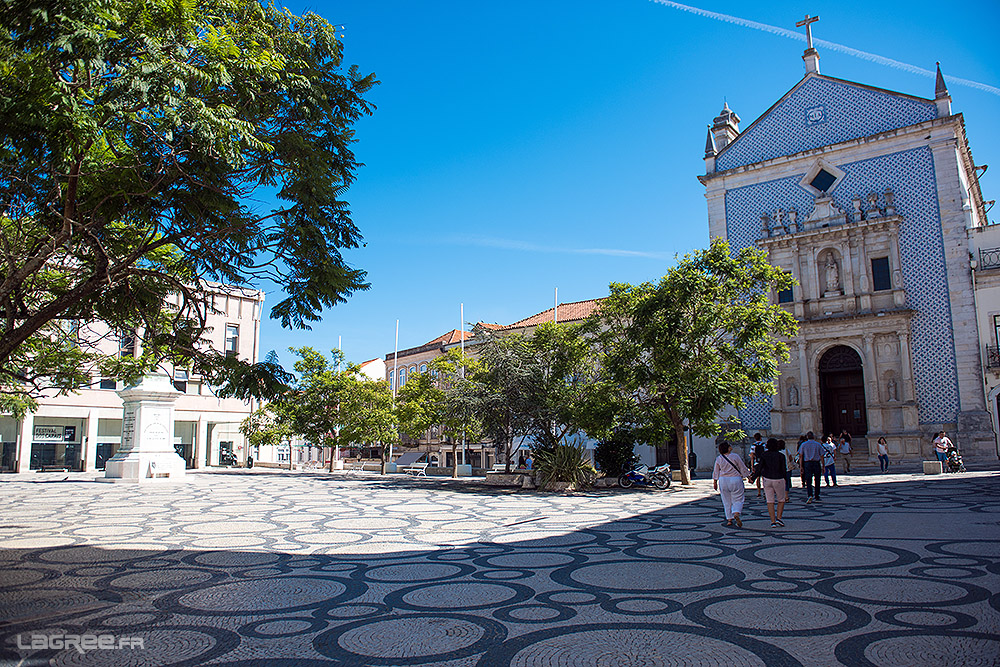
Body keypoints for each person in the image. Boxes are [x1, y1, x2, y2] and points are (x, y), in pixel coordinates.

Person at [713, 441, 750, 528]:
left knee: (726, 500)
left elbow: (716, 471)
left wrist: (715, 482)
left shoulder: (719, 458)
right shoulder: (735, 456)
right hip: (735, 479)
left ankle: (729, 519)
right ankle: (736, 512)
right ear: (728, 448)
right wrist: (748, 476)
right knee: (738, 498)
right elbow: (742, 467)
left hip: (723, 480)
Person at [760, 438, 788, 527]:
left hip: (767, 479)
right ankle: (779, 518)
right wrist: (786, 480)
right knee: (781, 500)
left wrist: (753, 478)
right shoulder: (781, 456)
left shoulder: (764, 455)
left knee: (770, 501)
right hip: (778, 479)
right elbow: (784, 469)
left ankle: (772, 521)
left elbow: (760, 468)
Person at [798, 431, 824, 503]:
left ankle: (810, 495)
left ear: (807, 437)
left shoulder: (803, 445)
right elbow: (822, 455)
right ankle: (817, 495)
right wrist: (823, 465)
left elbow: (801, 456)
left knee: (808, 480)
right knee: (817, 479)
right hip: (816, 463)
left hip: (807, 463)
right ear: (814, 437)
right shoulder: (818, 444)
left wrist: (801, 466)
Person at [750, 433, 765, 498]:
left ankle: (759, 491)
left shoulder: (753, 446)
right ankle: (765, 491)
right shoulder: (764, 445)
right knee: (764, 478)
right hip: (764, 463)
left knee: (757, 478)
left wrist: (752, 466)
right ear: (760, 438)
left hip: (756, 463)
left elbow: (752, 456)